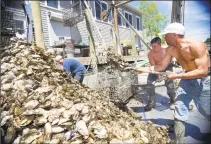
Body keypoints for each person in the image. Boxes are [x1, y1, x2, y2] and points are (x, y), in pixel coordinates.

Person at [135, 22, 210, 143]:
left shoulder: (196, 45)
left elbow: (202, 71)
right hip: (186, 80)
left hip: (202, 81)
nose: (164, 37)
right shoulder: (171, 49)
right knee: (179, 107)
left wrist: (177, 76)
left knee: (206, 110)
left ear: (174, 35)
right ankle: (178, 141)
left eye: (166, 35)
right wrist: (138, 69)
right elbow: (159, 67)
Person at [144, 37, 175, 111]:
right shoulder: (150, 54)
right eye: (152, 46)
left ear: (160, 44)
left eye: (155, 46)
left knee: (169, 83)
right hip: (156, 68)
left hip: (167, 68)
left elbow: (168, 64)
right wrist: (158, 75)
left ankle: (173, 100)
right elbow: (153, 66)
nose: (153, 48)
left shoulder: (166, 51)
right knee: (149, 82)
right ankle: (152, 101)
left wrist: (165, 74)